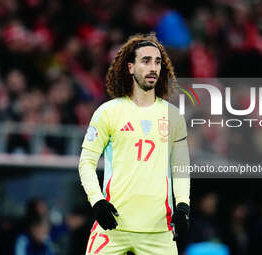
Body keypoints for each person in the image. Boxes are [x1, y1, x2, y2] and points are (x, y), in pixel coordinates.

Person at [78, 33, 190, 255]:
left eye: (157, 62)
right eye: (146, 61)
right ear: (130, 68)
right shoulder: (108, 112)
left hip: (158, 231)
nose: (153, 68)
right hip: (113, 226)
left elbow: (181, 169)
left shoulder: (174, 116)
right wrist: (97, 202)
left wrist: (183, 206)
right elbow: (86, 162)